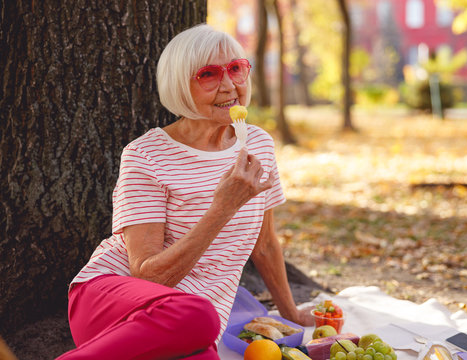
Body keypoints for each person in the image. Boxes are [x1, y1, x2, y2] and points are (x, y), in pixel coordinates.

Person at [57, 24, 313, 360]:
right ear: (180, 85)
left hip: (195, 325)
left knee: (204, 338)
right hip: (115, 301)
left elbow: (264, 245)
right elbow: (148, 274)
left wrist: (291, 314)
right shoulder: (146, 154)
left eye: (236, 69)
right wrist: (222, 208)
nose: (229, 85)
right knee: (198, 314)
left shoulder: (258, 145)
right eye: (208, 74)